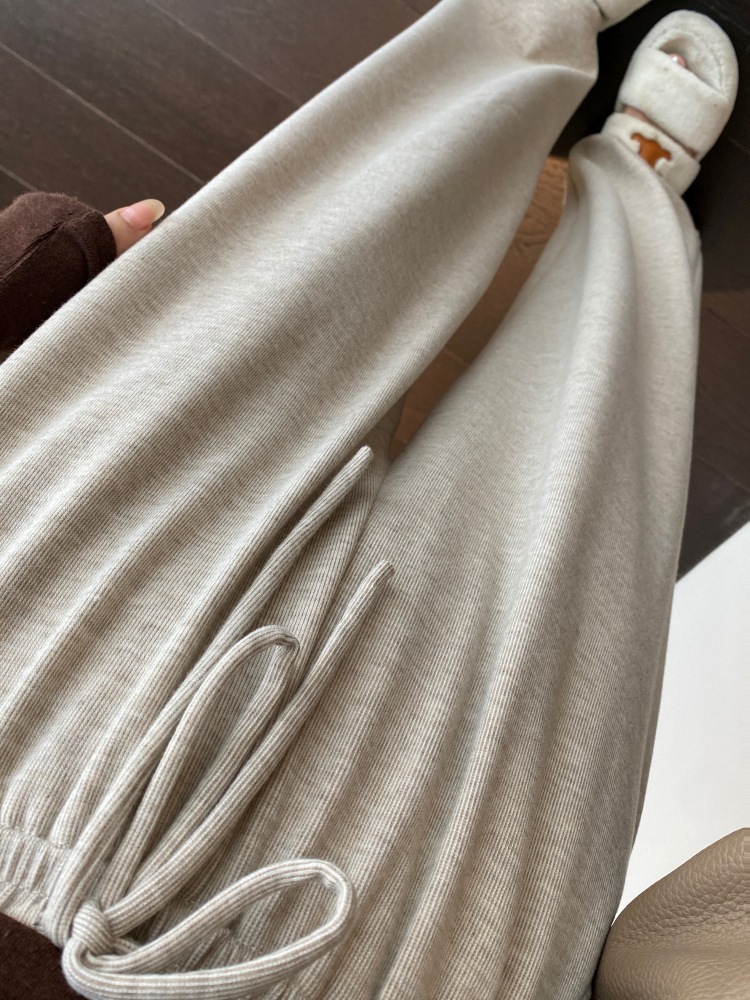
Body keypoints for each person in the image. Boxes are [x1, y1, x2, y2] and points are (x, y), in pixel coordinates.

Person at [0, 3, 738, 999]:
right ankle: (640, 190)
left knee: (279, 300)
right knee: (569, 513)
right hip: (387, 965)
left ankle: (520, 32)